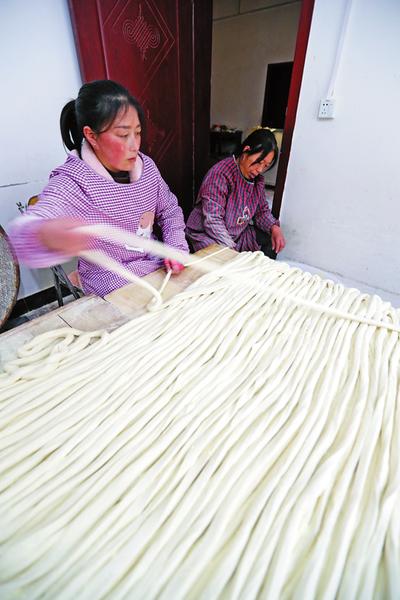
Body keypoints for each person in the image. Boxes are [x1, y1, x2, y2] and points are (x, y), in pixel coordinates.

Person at [9, 80, 188, 296]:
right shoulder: (73, 181)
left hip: (154, 265)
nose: (135, 145)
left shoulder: (147, 168)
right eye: (123, 135)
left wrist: (176, 247)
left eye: (138, 132)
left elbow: (169, 210)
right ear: (92, 136)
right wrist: (46, 233)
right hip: (108, 279)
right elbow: (26, 231)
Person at [185, 128, 286, 256]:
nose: (260, 169)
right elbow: (213, 219)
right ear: (246, 150)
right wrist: (231, 250)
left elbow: (261, 212)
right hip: (208, 235)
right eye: (259, 162)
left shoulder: (257, 181)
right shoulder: (221, 174)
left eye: (265, 165)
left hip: (238, 236)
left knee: (269, 238)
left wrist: (274, 227)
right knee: (221, 261)